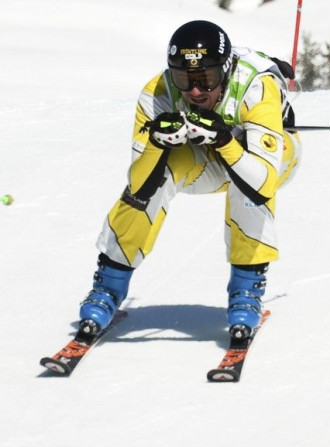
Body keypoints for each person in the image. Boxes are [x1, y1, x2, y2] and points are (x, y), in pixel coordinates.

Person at [75, 20, 301, 343]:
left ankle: (246, 287)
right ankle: (109, 285)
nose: (195, 91)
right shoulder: (159, 93)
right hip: (203, 157)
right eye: (185, 79)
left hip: (270, 158)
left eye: (207, 79)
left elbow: (263, 184)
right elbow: (138, 185)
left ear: (225, 70)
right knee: (154, 180)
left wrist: (224, 140)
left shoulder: (254, 87)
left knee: (246, 184)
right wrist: (156, 141)